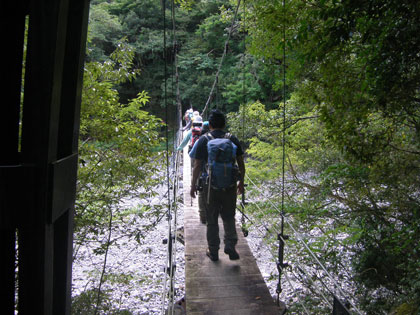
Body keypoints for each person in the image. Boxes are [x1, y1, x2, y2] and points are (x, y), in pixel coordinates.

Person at [189, 109, 245, 261]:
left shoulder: (204, 139)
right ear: (224, 124)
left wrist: (193, 185)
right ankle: (230, 245)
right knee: (229, 216)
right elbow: (241, 163)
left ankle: (213, 251)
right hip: (230, 185)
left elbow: (197, 165)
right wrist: (242, 182)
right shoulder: (232, 139)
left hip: (209, 187)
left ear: (210, 124)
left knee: (212, 219)